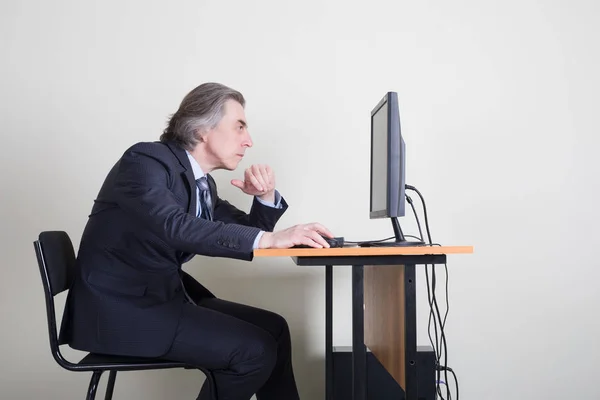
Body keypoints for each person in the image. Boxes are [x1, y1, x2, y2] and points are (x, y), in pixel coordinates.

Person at [59, 82, 334, 400]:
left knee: (275, 329)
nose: (249, 141)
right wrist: (271, 236)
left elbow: (248, 231)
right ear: (204, 129)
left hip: (164, 297)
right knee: (253, 352)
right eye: (239, 126)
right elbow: (174, 226)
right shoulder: (145, 161)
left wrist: (266, 197)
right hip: (121, 312)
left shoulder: (200, 184)